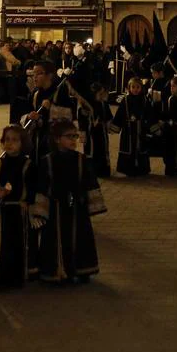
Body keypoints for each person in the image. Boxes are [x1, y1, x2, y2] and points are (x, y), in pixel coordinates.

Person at [31, 119, 106, 284]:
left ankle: (81, 269)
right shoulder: (47, 161)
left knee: (79, 237)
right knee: (55, 239)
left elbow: (89, 182)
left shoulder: (81, 160)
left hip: (77, 208)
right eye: (69, 136)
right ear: (57, 139)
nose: (73, 140)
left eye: (75, 136)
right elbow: (42, 186)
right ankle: (56, 270)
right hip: (56, 210)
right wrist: (39, 212)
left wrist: (91, 204)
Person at [0, 125, 38, 293]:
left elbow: (33, 189)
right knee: (1, 245)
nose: (10, 143)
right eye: (7, 140)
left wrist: (28, 203)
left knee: (18, 245)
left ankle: (17, 277)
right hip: (2, 213)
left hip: (20, 213)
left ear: (23, 143)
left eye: (14, 140)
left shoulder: (28, 165)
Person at [112, 77, 151, 177]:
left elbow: (150, 114)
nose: (135, 89)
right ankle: (127, 169)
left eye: (138, 87)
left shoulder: (145, 100)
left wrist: (151, 126)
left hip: (140, 129)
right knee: (127, 147)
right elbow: (120, 114)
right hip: (128, 130)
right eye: (133, 87)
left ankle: (141, 169)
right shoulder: (125, 100)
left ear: (141, 88)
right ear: (129, 88)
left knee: (141, 148)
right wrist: (115, 127)